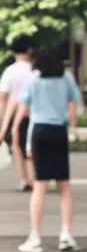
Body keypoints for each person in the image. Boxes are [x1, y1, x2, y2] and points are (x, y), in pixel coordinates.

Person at [13, 44, 82, 252]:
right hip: (58, 133)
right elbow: (72, 109)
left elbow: (25, 110)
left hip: (40, 132)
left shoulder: (33, 80)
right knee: (64, 185)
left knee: (40, 185)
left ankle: (35, 236)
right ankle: (66, 235)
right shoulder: (67, 79)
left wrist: (25, 142)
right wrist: (72, 127)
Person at [0, 34, 34, 191]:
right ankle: (35, 178)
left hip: (14, 117)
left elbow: (3, 96)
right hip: (34, 115)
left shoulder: (10, 71)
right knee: (31, 149)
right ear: (29, 50)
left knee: (17, 147)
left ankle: (24, 180)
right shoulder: (35, 70)